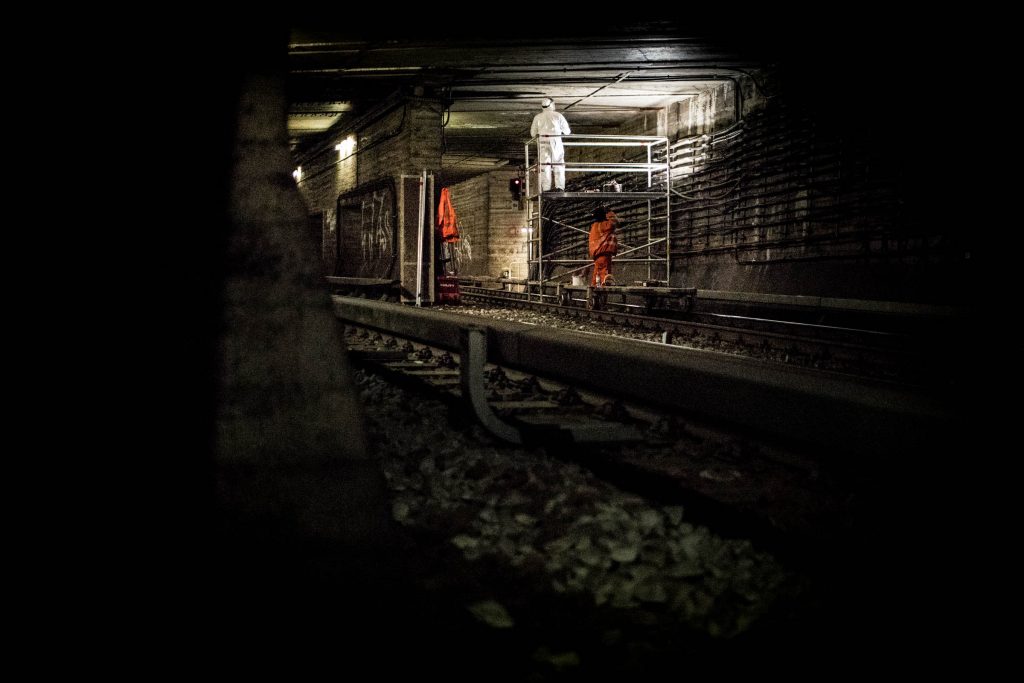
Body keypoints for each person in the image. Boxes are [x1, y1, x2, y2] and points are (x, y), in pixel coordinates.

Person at [530, 97, 571, 192]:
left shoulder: (537, 117)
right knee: (558, 163)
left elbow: (533, 133)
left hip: (542, 142)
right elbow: (567, 131)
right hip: (555, 141)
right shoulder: (558, 115)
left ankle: (546, 188)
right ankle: (559, 187)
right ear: (551, 105)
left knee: (545, 166)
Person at [589, 205, 619, 286]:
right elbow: (614, 221)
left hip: (598, 255)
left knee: (597, 276)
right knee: (604, 278)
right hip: (603, 255)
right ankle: (601, 295)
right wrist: (609, 212)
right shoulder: (604, 225)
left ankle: (594, 295)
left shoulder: (594, 226)